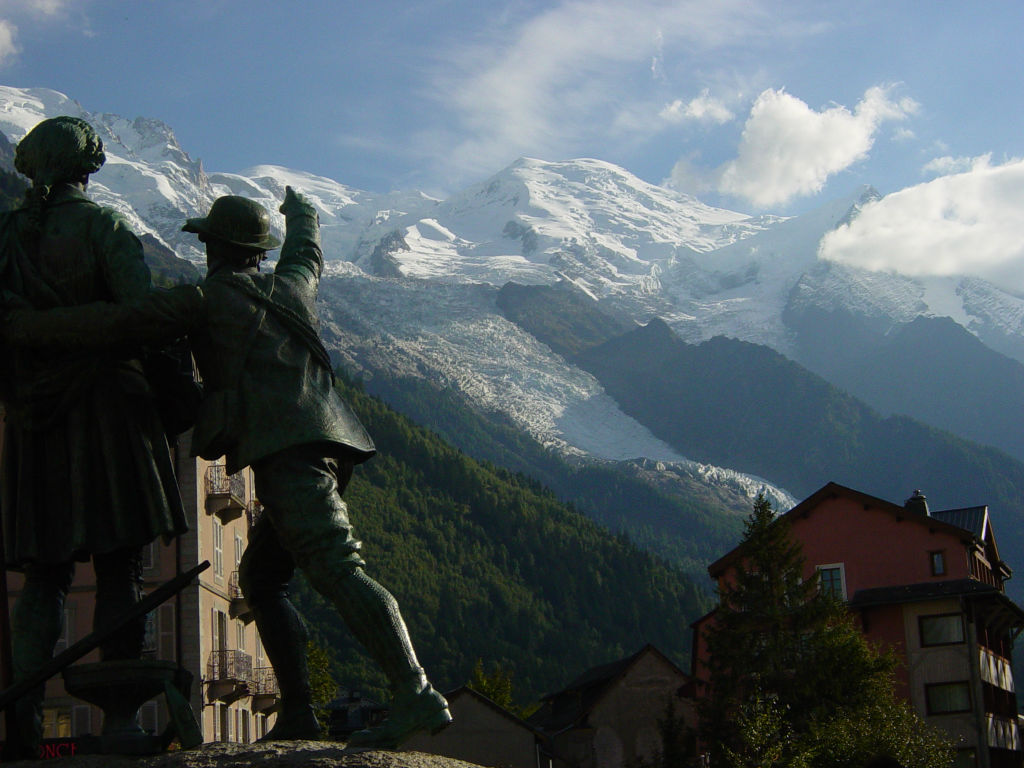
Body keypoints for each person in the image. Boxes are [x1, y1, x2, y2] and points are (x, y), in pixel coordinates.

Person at [3, 187, 452, 748]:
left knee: (339, 568)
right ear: (259, 251)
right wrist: (300, 210)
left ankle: (416, 694)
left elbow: (118, 323)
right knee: (263, 579)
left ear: (214, 248)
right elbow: (308, 248)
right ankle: (299, 712)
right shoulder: (295, 285)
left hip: (289, 455)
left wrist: (25, 327)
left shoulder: (201, 299)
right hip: (330, 447)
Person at [0, 116, 188, 757]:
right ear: (88, 166)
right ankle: (119, 726)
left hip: (35, 423)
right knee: (119, 567)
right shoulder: (105, 229)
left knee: (44, 576)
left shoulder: (7, 237)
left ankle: (21, 723)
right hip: (109, 414)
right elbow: (141, 318)